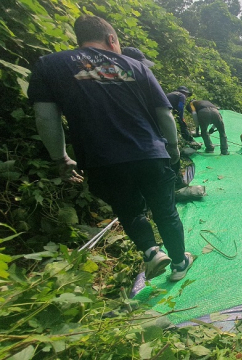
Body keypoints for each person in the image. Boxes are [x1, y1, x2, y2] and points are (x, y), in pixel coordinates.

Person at [27, 15, 194, 282]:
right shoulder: (136, 66)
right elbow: (164, 113)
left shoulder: (50, 65)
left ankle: (151, 252)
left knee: (129, 210)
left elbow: (45, 117)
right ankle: (179, 263)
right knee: (165, 210)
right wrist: (172, 149)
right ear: (112, 39)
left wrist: (61, 157)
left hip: (102, 158)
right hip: (150, 152)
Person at [122, 48, 189, 189]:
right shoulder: (144, 78)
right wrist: (174, 144)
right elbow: (165, 113)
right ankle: (175, 184)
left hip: (118, 149)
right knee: (168, 160)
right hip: (148, 138)